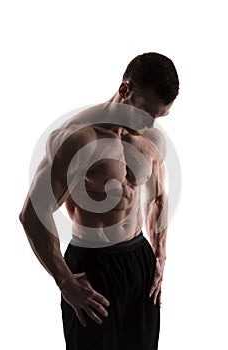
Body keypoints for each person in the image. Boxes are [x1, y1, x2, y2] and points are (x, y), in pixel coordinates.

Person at [19, 52, 179, 350]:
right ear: (125, 89)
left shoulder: (153, 139)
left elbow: (158, 197)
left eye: (159, 117)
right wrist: (65, 281)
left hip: (139, 259)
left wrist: (160, 254)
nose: (150, 125)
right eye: (145, 113)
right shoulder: (78, 139)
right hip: (93, 267)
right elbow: (33, 214)